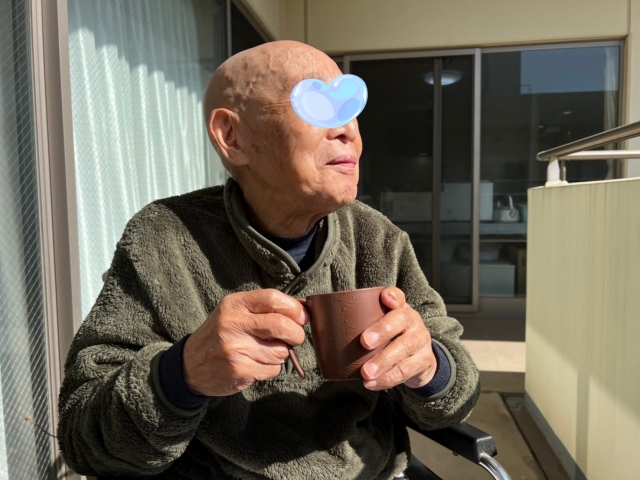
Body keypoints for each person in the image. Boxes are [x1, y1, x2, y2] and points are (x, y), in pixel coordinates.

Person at [58, 40, 480, 480]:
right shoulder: (165, 238)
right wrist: (181, 375)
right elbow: (83, 439)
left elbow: (457, 394)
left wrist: (428, 366)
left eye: (350, 107)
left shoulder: (376, 238)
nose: (347, 131)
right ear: (232, 136)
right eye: (317, 105)